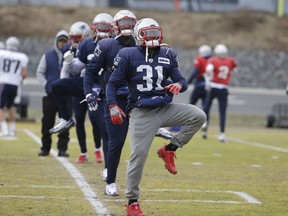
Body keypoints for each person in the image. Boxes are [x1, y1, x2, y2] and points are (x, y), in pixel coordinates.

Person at [106, 18, 206, 216]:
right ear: (138, 36)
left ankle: (169, 148)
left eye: (154, 33)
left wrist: (179, 85)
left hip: (164, 107)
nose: (152, 37)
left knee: (198, 115)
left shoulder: (168, 54)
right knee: (138, 156)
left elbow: (181, 81)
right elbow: (111, 84)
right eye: (147, 33)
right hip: (141, 112)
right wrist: (112, 105)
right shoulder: (127, 54)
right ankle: (132, 202)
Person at [49, 18, 111, 164]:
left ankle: (100, 152)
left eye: (77, 37)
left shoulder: (113, 45)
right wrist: (70, 63)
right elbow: (71, 70)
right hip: (84, 85)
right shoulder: (83, 46)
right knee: (57, 87)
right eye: (72, 38)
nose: (74, 41)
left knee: (99, 123)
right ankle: (82, 148)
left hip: (101, 86)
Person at [36, 30, 72, 157]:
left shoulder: (71, 55)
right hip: (50, 96)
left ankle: (62, 149)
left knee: (65, 123)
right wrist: (46, 84)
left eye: (65, 41)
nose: (62, 43)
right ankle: (45, 148)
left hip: (66, 96)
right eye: (60, 40)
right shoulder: (47, 56)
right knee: (47, 122)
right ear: (56, 42)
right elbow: (40, 73)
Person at [202, 44, 237, 142]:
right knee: (222, 111)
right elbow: (235, 70)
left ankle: (204, 125)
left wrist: (208, 80)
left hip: (213, 86)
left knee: (207, 107)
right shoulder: (230, 61)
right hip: (224, 88)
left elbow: (208, 71)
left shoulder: (213, 60)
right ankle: (222, 134)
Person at [0, 36, 29, 136]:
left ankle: (4, 129)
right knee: (10, 106)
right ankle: (13, 129)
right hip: (15, 84)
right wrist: (17, 80)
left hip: (3, 82)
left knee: (0, 107)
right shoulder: (22, 57)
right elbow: (24, 74)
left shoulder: (2, 53)